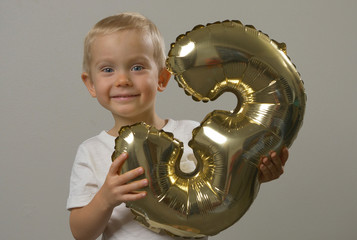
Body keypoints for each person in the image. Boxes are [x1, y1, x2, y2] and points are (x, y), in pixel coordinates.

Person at [67, 12, 289, 240]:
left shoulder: (192, 134)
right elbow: (81, 233)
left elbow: (224, 192)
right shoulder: (92, 151)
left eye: (137, 67)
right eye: (107, 70)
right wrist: (105, 198)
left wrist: (254, 173)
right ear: (91, 84)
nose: (122, 80)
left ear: (162, 78)